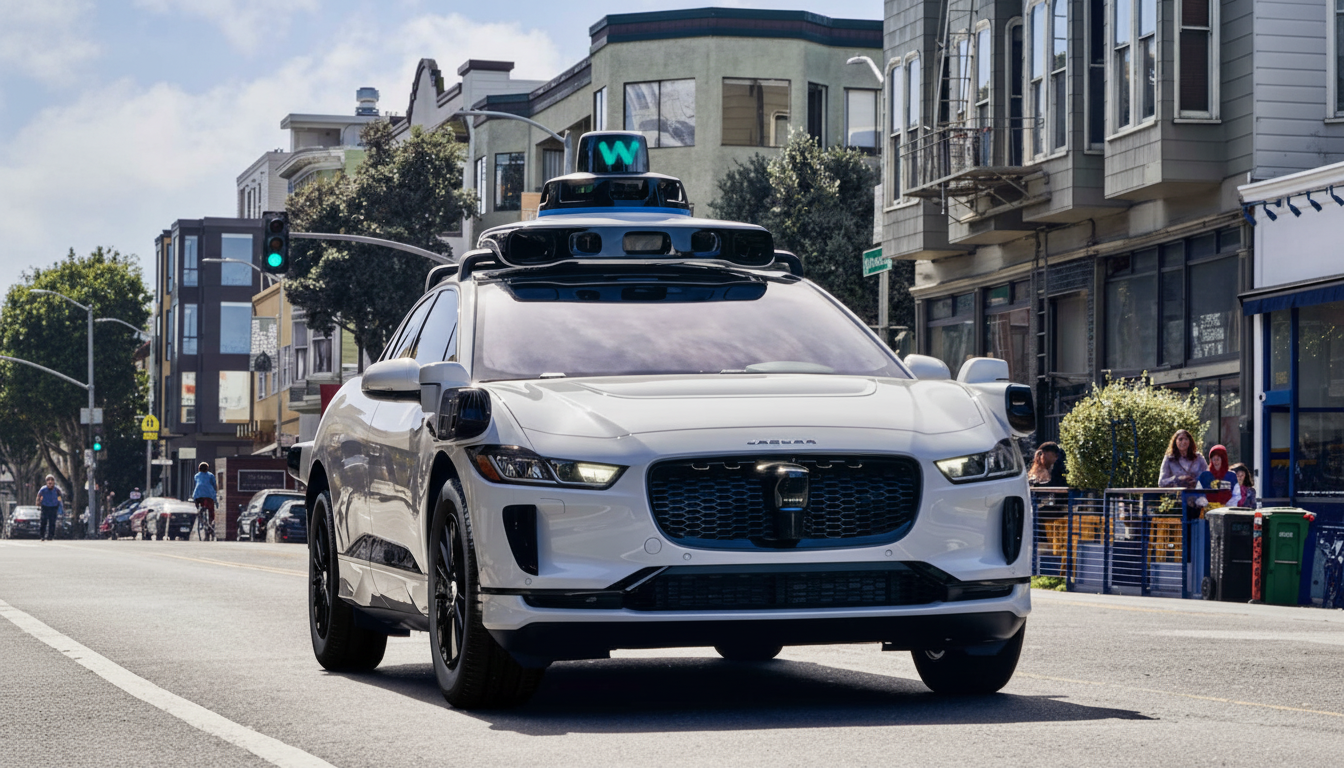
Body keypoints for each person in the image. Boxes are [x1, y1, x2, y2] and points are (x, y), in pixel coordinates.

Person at [1195, 445, 1236, 515]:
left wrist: (1229, 505)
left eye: (1218, 459)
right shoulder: (1204, 476)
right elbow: (1197, 492)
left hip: (1226, 512)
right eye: (1214, 459)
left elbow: (1236, 495)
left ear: (1223, 460)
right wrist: (1202, 501)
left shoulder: (1232, 476)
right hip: (1207, 513)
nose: (1216, 462)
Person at [191, 462, 217, 539]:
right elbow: (214, 485)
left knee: (198, 507)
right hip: (209, 495)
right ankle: (211, 523)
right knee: (211, 510)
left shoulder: (196, 476)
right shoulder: (211, 475)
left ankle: (201, 518)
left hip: (198, 495)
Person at [35, 475, 64, 542]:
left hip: (53, 507)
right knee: (43, 521)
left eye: (52, 480)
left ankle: (50, 536)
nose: (50, 482)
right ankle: (42, 536)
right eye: (48, 480)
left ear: (54, 482)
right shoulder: (43, 489)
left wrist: (60, 505)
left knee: (52, 522)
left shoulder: (57, 490)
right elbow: (39, 495)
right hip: (45, 507)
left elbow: (59, 498)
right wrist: (38, 502)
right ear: (46, 482)